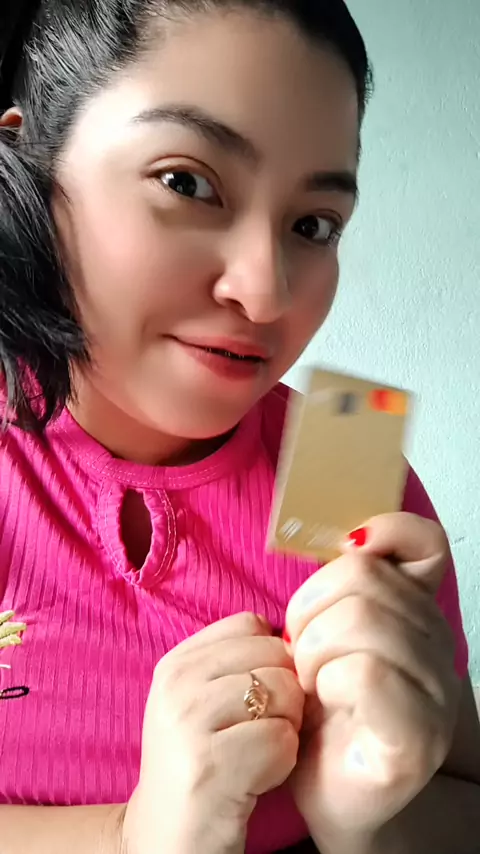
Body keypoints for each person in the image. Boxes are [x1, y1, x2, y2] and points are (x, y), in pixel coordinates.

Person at [0, 1, 479, 853]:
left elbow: (463, 799)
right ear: (26, 159)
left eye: (313, 225)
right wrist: (131, 837)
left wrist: (367, 814)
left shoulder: (347, 460)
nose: (265, 292)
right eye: (187, 182)